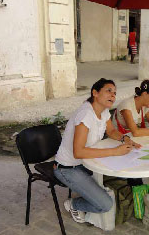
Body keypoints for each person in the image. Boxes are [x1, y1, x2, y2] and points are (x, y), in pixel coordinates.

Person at [54, 78, 141, 223]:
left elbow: (112, 131)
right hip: (68, 168)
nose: (113, 95)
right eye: (108, 91)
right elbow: (78, 152)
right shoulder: (86, 114)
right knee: (105, 204)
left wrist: (125, 139)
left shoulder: (104, 111)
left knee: (125, 173)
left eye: (114, 93)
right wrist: (114, 151)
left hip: (87, 162)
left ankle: (93, 192)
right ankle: (73, 204)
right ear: (95, 93)